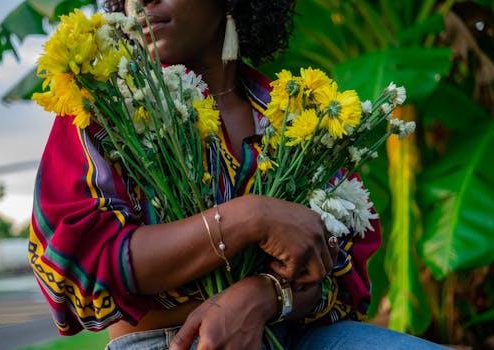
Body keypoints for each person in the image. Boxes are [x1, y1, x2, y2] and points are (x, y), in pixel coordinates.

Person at [28, 0, 448, 349]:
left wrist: (265, 295)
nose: (143, 1)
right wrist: (251, 218)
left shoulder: (291, 114)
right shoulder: (102, 108)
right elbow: (83, 261)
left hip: (299, 334)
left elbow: (334, 265)